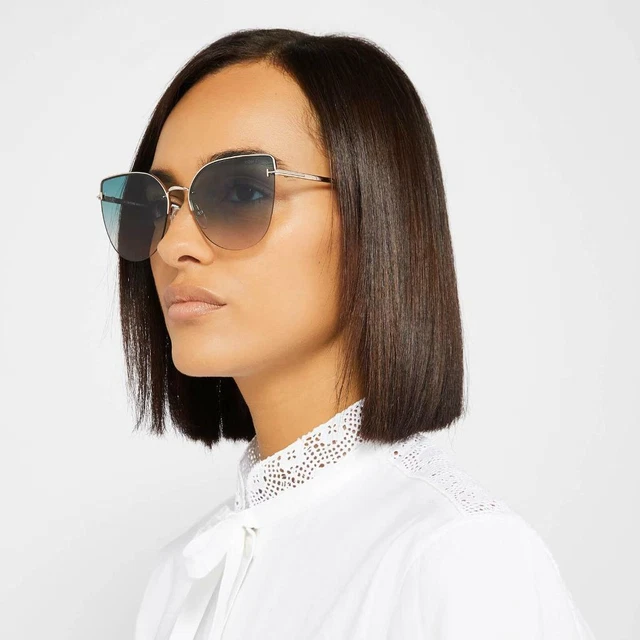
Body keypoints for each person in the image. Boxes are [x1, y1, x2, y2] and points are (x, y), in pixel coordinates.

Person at [97, 27, 597, 640]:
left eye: (241, 192)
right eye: (157, 204)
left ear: (374, 213)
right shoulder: (183, 579)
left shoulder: (458, 557)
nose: (173, 244)